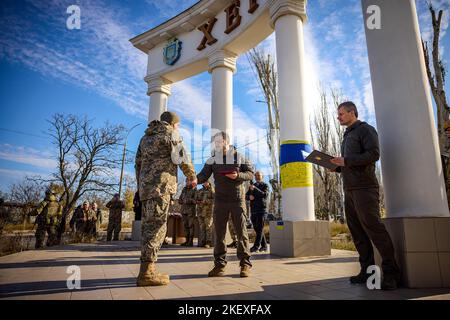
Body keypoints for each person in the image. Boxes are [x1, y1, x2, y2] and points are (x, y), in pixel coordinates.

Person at [330, 101, 401, 290]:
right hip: (349, 190)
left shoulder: (365, 130)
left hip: (365, 188)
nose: (338, 117)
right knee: (358, 234)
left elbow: (373, 154)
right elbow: (350, 163)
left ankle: (391, 274)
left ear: (352, 112)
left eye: (341, 114)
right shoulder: (347, 136)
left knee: (375, 229)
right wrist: (337, 166)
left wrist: (346, 160)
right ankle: (367, 271)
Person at [135, 111, 196, 287]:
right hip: (161, 187)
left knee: (148, 226)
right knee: (156, 228)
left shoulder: (145, 138)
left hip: (146, 189)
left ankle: (149, 268)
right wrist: (192, 176)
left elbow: (137, 164)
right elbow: (182, 157)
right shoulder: (171, 134)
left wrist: (140, 186)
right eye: (178, 124)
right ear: (173, 123)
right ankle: (146, 273)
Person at [197, 131, 254, 278]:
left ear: (226, 142)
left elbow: (250, 173)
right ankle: (219, 265)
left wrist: (238, 176)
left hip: (237, 200)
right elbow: (203, 175)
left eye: (219, 142)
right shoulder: (212, 159)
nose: (216, 145)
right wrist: (193, 180)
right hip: (220, 201)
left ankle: (245, 265)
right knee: (219, 234)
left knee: (241, 233)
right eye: (215, 143)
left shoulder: (239, 156)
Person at [246, 171, 269, 253]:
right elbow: (246, 196)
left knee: (259, 228)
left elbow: (264, 195)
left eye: (259, 175)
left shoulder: (265, 185)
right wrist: (249, 197)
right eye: (256, 175)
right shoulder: (252, 186)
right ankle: (264, 246)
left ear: (262, 176)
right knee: (257, 229)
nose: (257, 176)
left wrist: (255, 189)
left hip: (261, 210)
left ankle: (256, 246)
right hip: (253, 210)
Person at [196, 181, 214, 248]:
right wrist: (197, 201)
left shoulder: (212, 190)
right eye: (204, 182)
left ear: (209, 182)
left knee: (208, 227)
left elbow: (215, 200)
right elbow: (195, 198)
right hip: (200, 211)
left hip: (208, 212)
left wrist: (206, 201)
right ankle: (202, 241)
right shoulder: (199, 190)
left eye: (206, 182)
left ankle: (208, 242)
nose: (205, 183)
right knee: (202, 227)